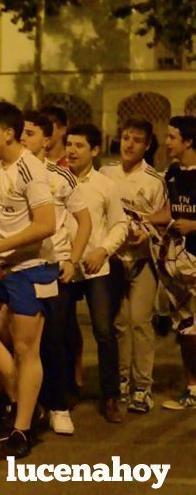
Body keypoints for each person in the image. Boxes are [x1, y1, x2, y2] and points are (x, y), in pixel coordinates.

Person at [0, 102, 57, 460]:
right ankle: (24, 402)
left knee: (25, 349)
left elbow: (46, 224)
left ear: (9, 133)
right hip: (1, 264)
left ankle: (22, 429)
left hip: (32, 267)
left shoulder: (31, 170)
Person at [19, 111, 91, 435]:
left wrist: (72, 260)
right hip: (18, 266)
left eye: (30, 133)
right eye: (20, 132)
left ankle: (59, 406)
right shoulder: (10, 172)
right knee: (22, 342)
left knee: (53, 337)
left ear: (46, 140)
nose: (22, 138)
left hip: (54, 266)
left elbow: (84, 221)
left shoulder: (61, 177)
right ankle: (26, 403)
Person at [101, 118, 166, 413]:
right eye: (126, 137)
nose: (129, 144)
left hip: (142, 262)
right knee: (119, 323)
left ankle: (143, 386)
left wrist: (145, 234)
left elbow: (162, 223)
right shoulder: (106, 174)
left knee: (140, 321)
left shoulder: (155, 180)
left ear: (147, 145)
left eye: (137, 140)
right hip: (113, 260)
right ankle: (122, 381)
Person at [64, 123, 128, 423]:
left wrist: (103, 250)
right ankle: (66, 389)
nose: (72, 150)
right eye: (69, 144)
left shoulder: (105, 185)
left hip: (96, 266)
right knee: (60, 331)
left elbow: (120, 224)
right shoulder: (55, 180)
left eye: (79, 146)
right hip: (64, 265)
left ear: (94, 150)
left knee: (104, 331)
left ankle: (110, 396)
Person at [149, 116, 196, 410]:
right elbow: (169, 213)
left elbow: (187, 219)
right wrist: (142, 219)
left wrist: (193, 226)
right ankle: (192, 388)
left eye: (172, 137)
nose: (166, 142)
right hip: (177, 264)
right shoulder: (172, 173)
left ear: (189, 141)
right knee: (187, 328)